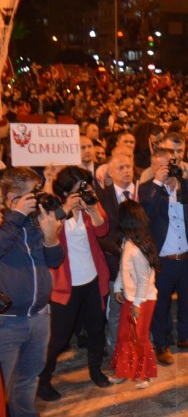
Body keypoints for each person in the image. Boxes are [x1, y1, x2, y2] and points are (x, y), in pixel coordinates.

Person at [38, 166, 112, 401]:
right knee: (59, 337)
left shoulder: (89, 203)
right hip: (65, 284)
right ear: (66, 190)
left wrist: (92, 209)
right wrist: (66, 209)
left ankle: (95, 371)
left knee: (96, 329)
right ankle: (43, 381)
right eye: (79, 188)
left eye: (85, 186)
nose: (83, 191)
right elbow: (45, 234)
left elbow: (103, 230)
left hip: (91, 279)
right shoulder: (53, 208)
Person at [0, 167, 64, 416]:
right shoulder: (6, 224)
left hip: (39, 316)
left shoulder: (36, 222)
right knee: (4, 383)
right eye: (32, 194)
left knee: (29, 378)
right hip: (7, 321)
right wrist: (15, 216)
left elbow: (55, 260)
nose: (37, 199)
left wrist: (51, 238)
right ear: (11, 197)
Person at [138, 148, 188, 366]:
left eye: (170, 163)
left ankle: (186, 337)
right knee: (161, 306)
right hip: (163, 259)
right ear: (153, 168)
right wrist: (158, 183)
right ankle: (162, 344)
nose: (167, 169)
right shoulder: (147, 189)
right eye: (160, 166)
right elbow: (144, 215)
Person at [109, 201, 159, 389]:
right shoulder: (127, 242)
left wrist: (137, 304)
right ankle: (124, 371)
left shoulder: (138, 249)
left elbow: (144, 280)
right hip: (131, 298)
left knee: (140, 336)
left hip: (143, 299)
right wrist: (118, 287)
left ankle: (146, 374)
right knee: (124, 335)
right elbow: (123, 268)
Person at [97, 152, 136, 354]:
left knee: (141, 307)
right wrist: (120, 249)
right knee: (116, 311)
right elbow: (99, 233)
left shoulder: (143, 192)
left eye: (129, 166)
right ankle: (116, 351)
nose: (126, 170)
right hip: (115, 263)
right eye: (121, 167)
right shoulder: (102, 198)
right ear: (110, 172)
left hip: (141, 264)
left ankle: (141, 347)